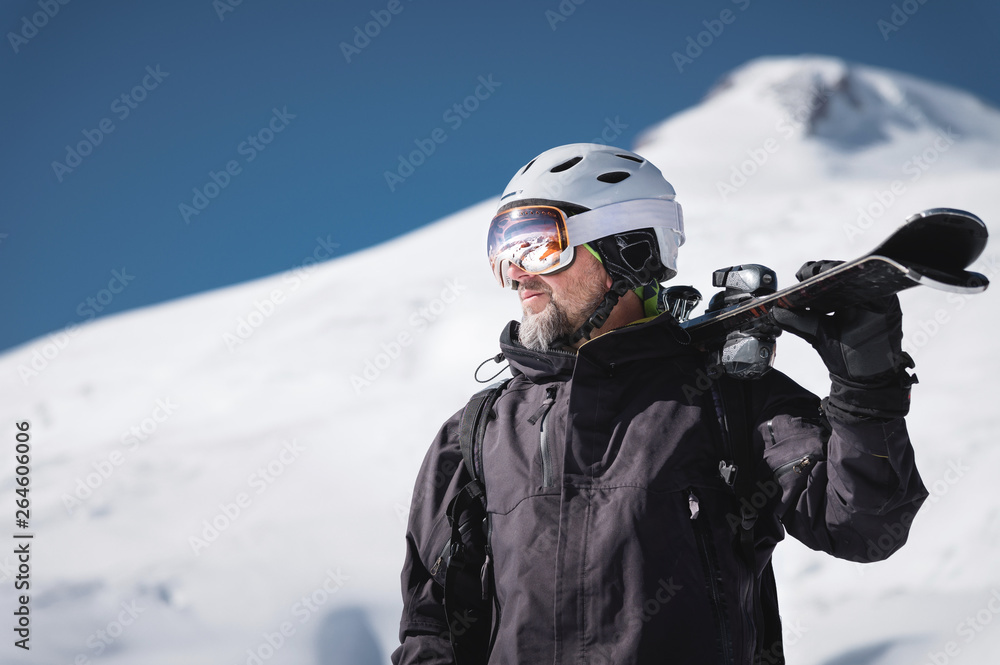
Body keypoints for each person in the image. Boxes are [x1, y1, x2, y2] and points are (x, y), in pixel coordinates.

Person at [391, 143, 928, 665]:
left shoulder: (728, 396)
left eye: (536, 243)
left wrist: (866, 389)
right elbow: (431, 625)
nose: (517, 271)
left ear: (628, 249)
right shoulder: (478, 431)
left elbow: (861, 528)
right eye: (503, 248)